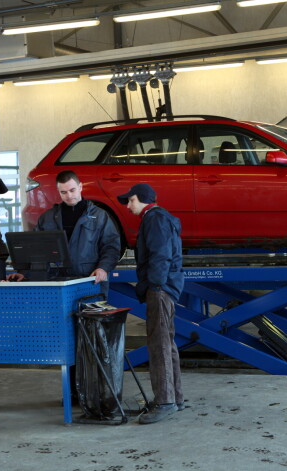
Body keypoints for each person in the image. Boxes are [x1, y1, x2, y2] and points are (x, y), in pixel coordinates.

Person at [117, 182, 184, 425]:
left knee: (158, 345)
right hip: (166, 288)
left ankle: (165, 402)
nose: (127, 206)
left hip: (161, 290)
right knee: (167, 342)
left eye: (130, 200)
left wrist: (153, 286)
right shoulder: (159, 218)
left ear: (140, 198)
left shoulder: (154, 219)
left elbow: (160, 255)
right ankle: (175, 397)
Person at [8, 170, 121, 295]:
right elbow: (35, 251)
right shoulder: (47, 218)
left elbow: (111, 246)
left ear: (80, 187)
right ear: (59, 192)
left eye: (72, 190)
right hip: (56, 282)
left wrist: (103, 268)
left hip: (88, 279)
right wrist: (24, 273)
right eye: (64, 192)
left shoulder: (99, 216)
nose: (69, 196)